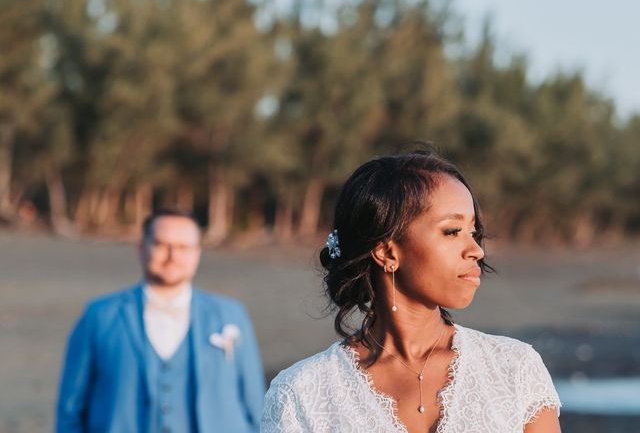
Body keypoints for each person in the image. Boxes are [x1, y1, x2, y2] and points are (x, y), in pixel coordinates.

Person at [261, 149, 561, 432]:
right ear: (388, 253)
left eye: (474, 232)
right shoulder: (301, 393)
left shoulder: (514, 368)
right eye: (452, 231)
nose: (476, 250)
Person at [56, 208, 264, 433]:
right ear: (141, 249)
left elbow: (254, 403)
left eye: (184, 247)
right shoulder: (98, 316)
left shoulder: (231, 315)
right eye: (161, 245)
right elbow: (70, 408)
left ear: (197, 253)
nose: (173, 256)